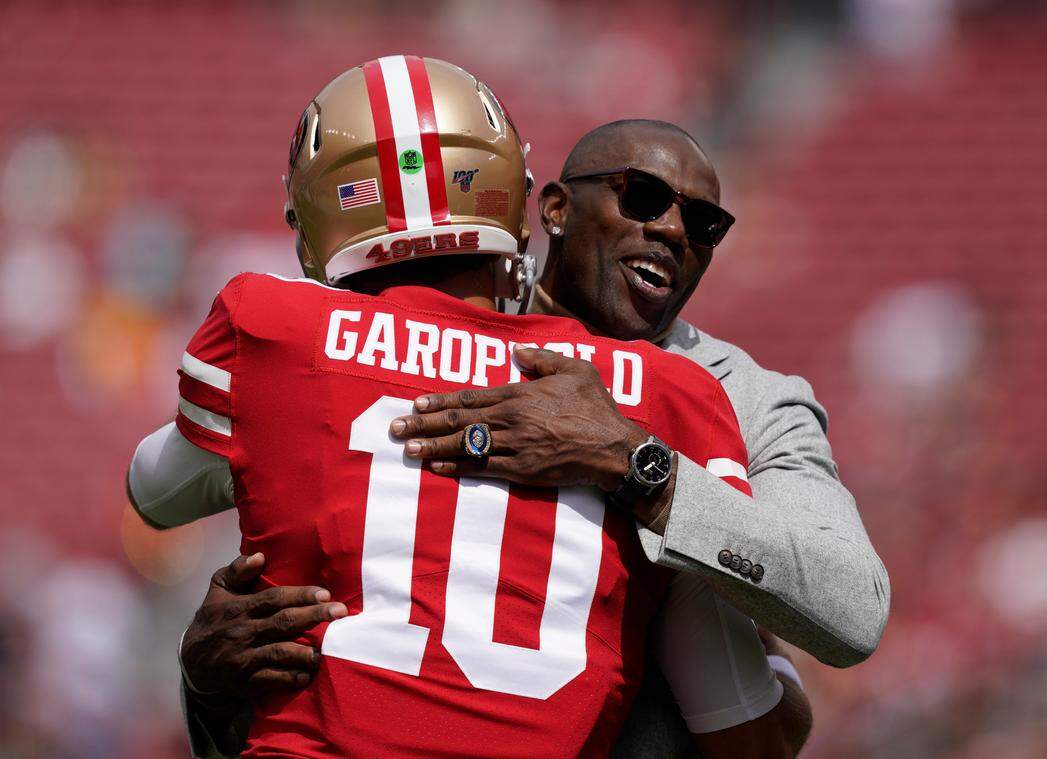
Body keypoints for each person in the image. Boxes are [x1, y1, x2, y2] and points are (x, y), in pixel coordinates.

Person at [129, 56, 799, 757]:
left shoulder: (271, 323)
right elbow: (746, 728)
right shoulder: (673, 391)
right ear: (513, 193)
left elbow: (153, 492)